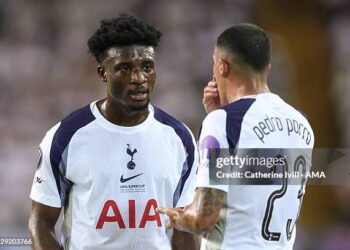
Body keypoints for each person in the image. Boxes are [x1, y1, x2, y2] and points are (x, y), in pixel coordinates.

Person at [28, 13, 199, 250]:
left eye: (147, 67)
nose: (139, 78)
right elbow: (41, 222)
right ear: (103, 73)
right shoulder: (65, 137)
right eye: (125, 68)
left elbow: (185, 227)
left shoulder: (180, 138)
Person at [158, 23, 315, 250]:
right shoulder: (302, 122)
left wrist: (177, 217)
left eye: (214, 63)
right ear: (267, 68)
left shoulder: (224, 123)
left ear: (222, 67)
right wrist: (220, 116)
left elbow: (204, 219)